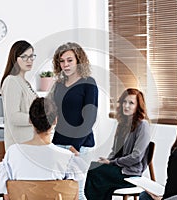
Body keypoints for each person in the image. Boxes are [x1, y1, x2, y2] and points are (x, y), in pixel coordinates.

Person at [0, 97, 88, 200]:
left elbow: (8, 196)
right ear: (55, 120)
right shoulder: (67, 157)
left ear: (30, 120)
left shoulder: (13, 152)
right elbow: (74, 197)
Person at [48, 42, 98, 199]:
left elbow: (90, 118)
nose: (65, 64)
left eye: (69, 60)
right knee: (59, 191)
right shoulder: (59, 85)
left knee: (78, 191)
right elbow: (54, 113)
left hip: (81, 145)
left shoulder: (88, 83)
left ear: (78, 60)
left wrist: (74, 146)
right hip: (58, 143)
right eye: (62, 61)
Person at [84, 88, 151, 200]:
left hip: (130, 174)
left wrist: (111, 162)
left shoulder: (143, 125)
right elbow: (115, 151)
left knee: (94, 171)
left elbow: (136, 157)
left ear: (138, 106)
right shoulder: (122, 124)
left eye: (131, 103)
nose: (126, 106)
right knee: (95, 166)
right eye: (124, 102)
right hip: (118, 169)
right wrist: (107, 162)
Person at [0, 40, 38, 149]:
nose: (29, 60)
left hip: (30, 144)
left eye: (31, 56)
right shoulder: (12, 81)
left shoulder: (24, 82)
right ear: (15, 59)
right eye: (24, 57)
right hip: (20, 146)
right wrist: (39, 119)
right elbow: (13, 117)